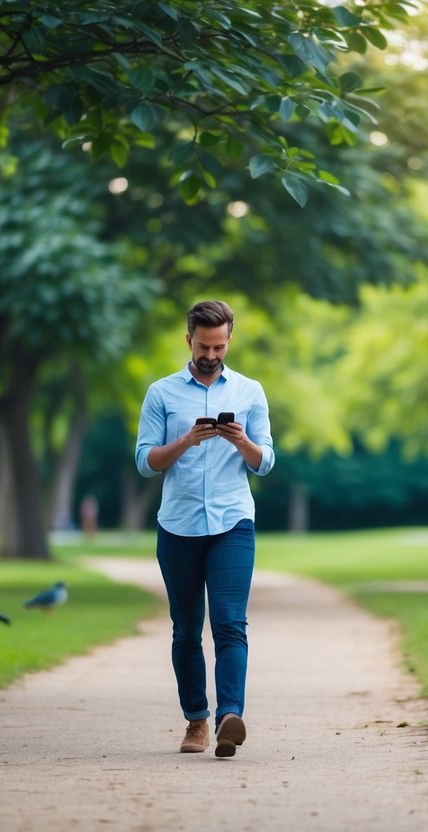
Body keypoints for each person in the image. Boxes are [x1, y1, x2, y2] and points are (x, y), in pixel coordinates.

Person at [134, 300, 275, 758]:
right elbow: (145, 463)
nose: (211, 354)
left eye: (219, 346)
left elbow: (266, 461)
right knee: (186, 630)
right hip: (178, 526)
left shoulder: (250, 392)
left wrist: (244, 443)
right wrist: (186, 441)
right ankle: (195, 718)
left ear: (229, 339)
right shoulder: (161, 393)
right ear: (187, 338)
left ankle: (228, 716)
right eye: (203, 345)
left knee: (231, 624)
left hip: (233, 521)